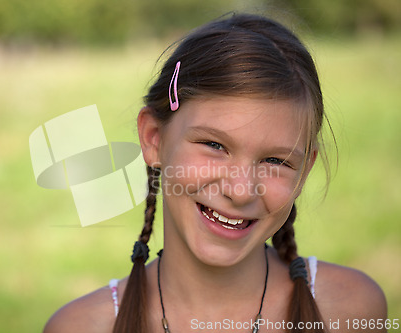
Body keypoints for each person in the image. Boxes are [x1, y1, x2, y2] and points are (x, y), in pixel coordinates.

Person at [44, 13, 387, 333]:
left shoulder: (350, 309)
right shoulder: (80, 326)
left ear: (304, 172)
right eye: (214, 145)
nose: (240, 191)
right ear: (154, 139)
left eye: (276, 162)